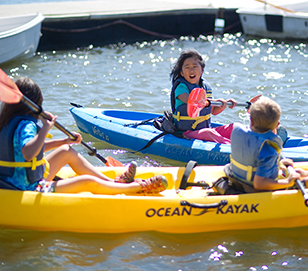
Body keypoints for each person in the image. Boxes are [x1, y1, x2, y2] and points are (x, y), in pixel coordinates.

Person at [0, 76, 168, 195]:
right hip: (28, 187)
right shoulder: (27, 125)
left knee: (66, 150)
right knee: (88, 182)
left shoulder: (6, 121)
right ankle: (137, 188)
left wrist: (64, 140)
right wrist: (45, 128)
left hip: (13, 181)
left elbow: (24, 149)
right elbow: (28, 153)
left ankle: (113, 183)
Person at [227, 96, 308, 193]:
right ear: (277, 125)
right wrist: (287, 182)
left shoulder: (237, 131)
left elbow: (254, 158)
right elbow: (259, 183)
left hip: (237, 179)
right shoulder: (268, 150)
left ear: (251, 121)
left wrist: (278, 163)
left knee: (298, 172)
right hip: (252, 188)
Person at [170, 48, 237, 144]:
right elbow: (191, 100)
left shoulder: (206, 87)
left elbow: (213, 111)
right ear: (182, 73)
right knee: (207, 132)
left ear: (202, 70)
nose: (191, 70)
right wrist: (213, 100)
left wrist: (223, 104)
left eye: (194, 66)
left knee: (235, 127)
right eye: (187, 67)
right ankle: (231, 148)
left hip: (203, 130)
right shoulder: (181, 87)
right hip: (186, 133)